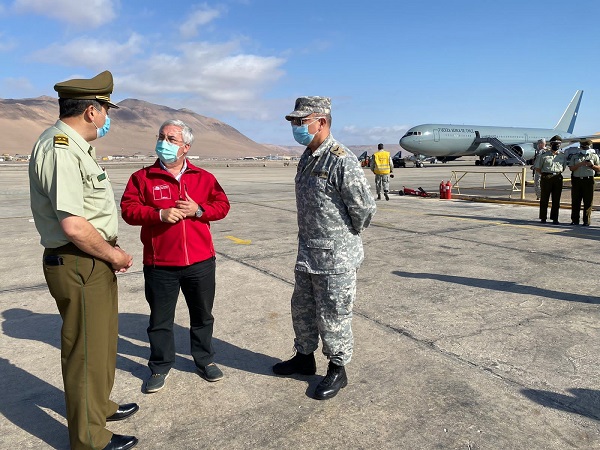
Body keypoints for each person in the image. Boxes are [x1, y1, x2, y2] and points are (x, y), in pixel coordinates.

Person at [28, 71, 138, 450]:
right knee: (86, 352)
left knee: (102, 342)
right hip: (79, 260)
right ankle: (89, 439)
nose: (107, 119)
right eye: (106, 111)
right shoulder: (60, 149)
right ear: (92, 111)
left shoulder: (76, 147)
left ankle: (99, 407)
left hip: (90, 261)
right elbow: (73, 225)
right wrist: (115, 254)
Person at [273, 97, 377, 400]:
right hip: (307, 253)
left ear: (322, 121)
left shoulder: (341, 159)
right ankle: (304, 357)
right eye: (294, 122)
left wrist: (342, 240)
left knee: (334, 315)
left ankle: (337, 369)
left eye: (301, 121)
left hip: (336, 257)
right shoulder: (308, 156)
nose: (296, 127)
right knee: (302, 310)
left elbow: (364, 209)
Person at [120, 119, 230, 393]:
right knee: (159, 321)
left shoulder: (203, 178)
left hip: (201, 263)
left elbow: (222, 206)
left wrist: (199, 210)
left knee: (203, 316)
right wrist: (158, 215)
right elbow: (129, 210)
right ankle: (160, 366)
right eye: (161, 137)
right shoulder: (142, 177)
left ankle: (204, 360)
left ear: (186, 147)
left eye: (171, 139)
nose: (164, 143)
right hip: (160, 265)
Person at [534, 135, 566, 224]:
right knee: (544, 199)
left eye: (559, 144)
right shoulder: (543, 155)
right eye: (555, 144)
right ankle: (543, 217)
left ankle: (555, 218)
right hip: (546, 177)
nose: (557, 146)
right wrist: (545, 174)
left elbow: (563, 168)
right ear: (551, 144)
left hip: (558, 178)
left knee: (556, 199)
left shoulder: (562, 156)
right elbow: (538, 167)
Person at [567, 139, 600, 226]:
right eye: (584, 148)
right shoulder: (575, 156)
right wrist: (580, 164)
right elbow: (571, 168)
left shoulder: (594, 156)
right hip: (577, 180)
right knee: (575, 201)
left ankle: (586, 221)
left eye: (587, 148)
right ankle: (575, 220)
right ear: (581, 147)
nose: (585, 149)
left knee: (588, 201)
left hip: (588, 180)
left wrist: (591, 165)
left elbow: (599, 168)